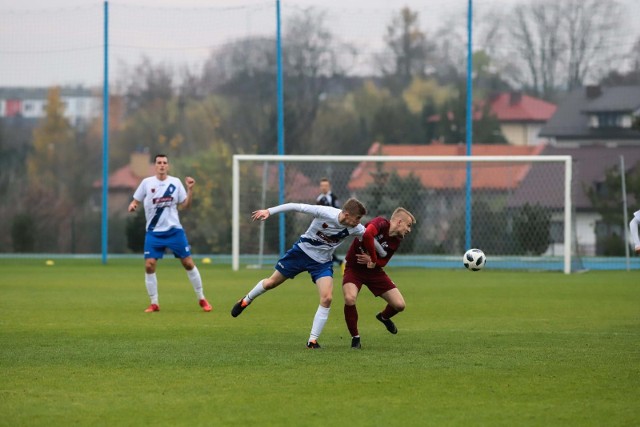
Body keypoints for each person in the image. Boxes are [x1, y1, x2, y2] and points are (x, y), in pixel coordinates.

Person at [230, 198, 376, 349]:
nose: (359, 222)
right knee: (271, 283)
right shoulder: (325, 212)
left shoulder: (356, 228)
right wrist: (269, 211)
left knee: (327, 298)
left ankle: (312, 341)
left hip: (322, 263)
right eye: (358, 218)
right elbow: (295, 206)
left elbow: (371, 239)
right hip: (300, 253)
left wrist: (377, 256)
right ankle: (246, 300)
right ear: (346, 214)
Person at [128, 154, 212, 313]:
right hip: (153, 233)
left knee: (188, 263)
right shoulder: (147, 183)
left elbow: (186, 205)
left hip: (174, 231)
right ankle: (154, 303)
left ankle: (202, 298)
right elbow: (135, 201)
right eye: (159, 162)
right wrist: (132, 206)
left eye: (164, 163)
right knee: (149, 265)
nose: (162, 165)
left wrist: (190, 189)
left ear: (168, 166)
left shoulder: (175, 183)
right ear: (155, 165)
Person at [342, 207, 416, 349]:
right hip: (354, 268)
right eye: (408, 225)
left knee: (400, 305)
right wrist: (374, 258)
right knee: (350, 298)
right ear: (399, 222)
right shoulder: (380, 223)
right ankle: (355, 338)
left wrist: (373, 261)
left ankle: (383, 317)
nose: (409, 230)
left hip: (374, 272)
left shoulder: (396, 241)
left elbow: (384, 261)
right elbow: (368, 234)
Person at [316, 177, 343, 267]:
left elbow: (337, 211)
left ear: (329, 187)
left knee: (328, 245)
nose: (324, 187)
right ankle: (338, 262)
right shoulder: (319, 198)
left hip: (331, 226)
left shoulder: (333, 198)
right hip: (321, 226)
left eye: (326, 186)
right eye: (322, 186)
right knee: (324, 245)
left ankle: (335, 262)